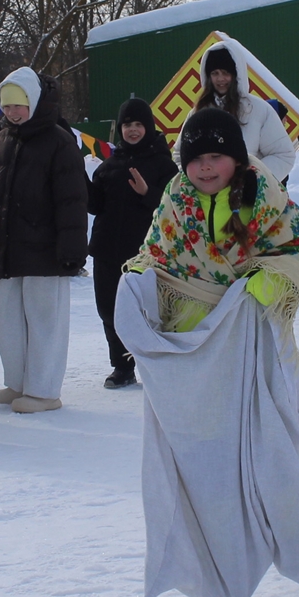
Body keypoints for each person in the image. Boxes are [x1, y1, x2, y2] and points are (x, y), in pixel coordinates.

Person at [114, 106, 299, 597]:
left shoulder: (261, 193)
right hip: (187, 353)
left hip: (246, 347)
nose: (206, 167)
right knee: (199, 469)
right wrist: (138, 278)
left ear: (236, 156)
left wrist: (264, 285)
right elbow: (154, 252)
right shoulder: (175, 196)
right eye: (196, 159)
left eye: (217, 157)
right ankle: (219, 569)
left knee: (267, 455)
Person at [0, 67, 89, 413]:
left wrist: (72, 248)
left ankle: (44, 391)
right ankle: (17, 382)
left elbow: (72, 200)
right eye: (7, 106)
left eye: (19, 105)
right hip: (4, 249)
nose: (13, 112)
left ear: (33, 102)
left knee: (44, 321)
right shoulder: (1, 141)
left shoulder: (59, 141)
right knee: (6, 321)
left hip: (46, 252)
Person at [88, 97, 177, 388]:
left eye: (138, 124)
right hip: (107, 250)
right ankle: (122, 366)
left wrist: (147, 192)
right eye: (127, 125)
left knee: (148, 313)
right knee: (109, 310)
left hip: (145, 254)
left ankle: (156, 364)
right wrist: (80, 181)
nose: (133, 130)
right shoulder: (109, 165)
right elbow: (94, 205)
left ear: (148, 126)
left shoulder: (164, 165)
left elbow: (174, 208)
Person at [195, 43, 296, 182]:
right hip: (207, 193)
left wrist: (252, 180)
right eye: (215, 73)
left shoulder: (259, 109)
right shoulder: (199, 112)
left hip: (250, 193)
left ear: (236, 74)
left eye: (225, 73)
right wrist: (197, 181)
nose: (220, 79)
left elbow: (283, 155)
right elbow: (181, 155)